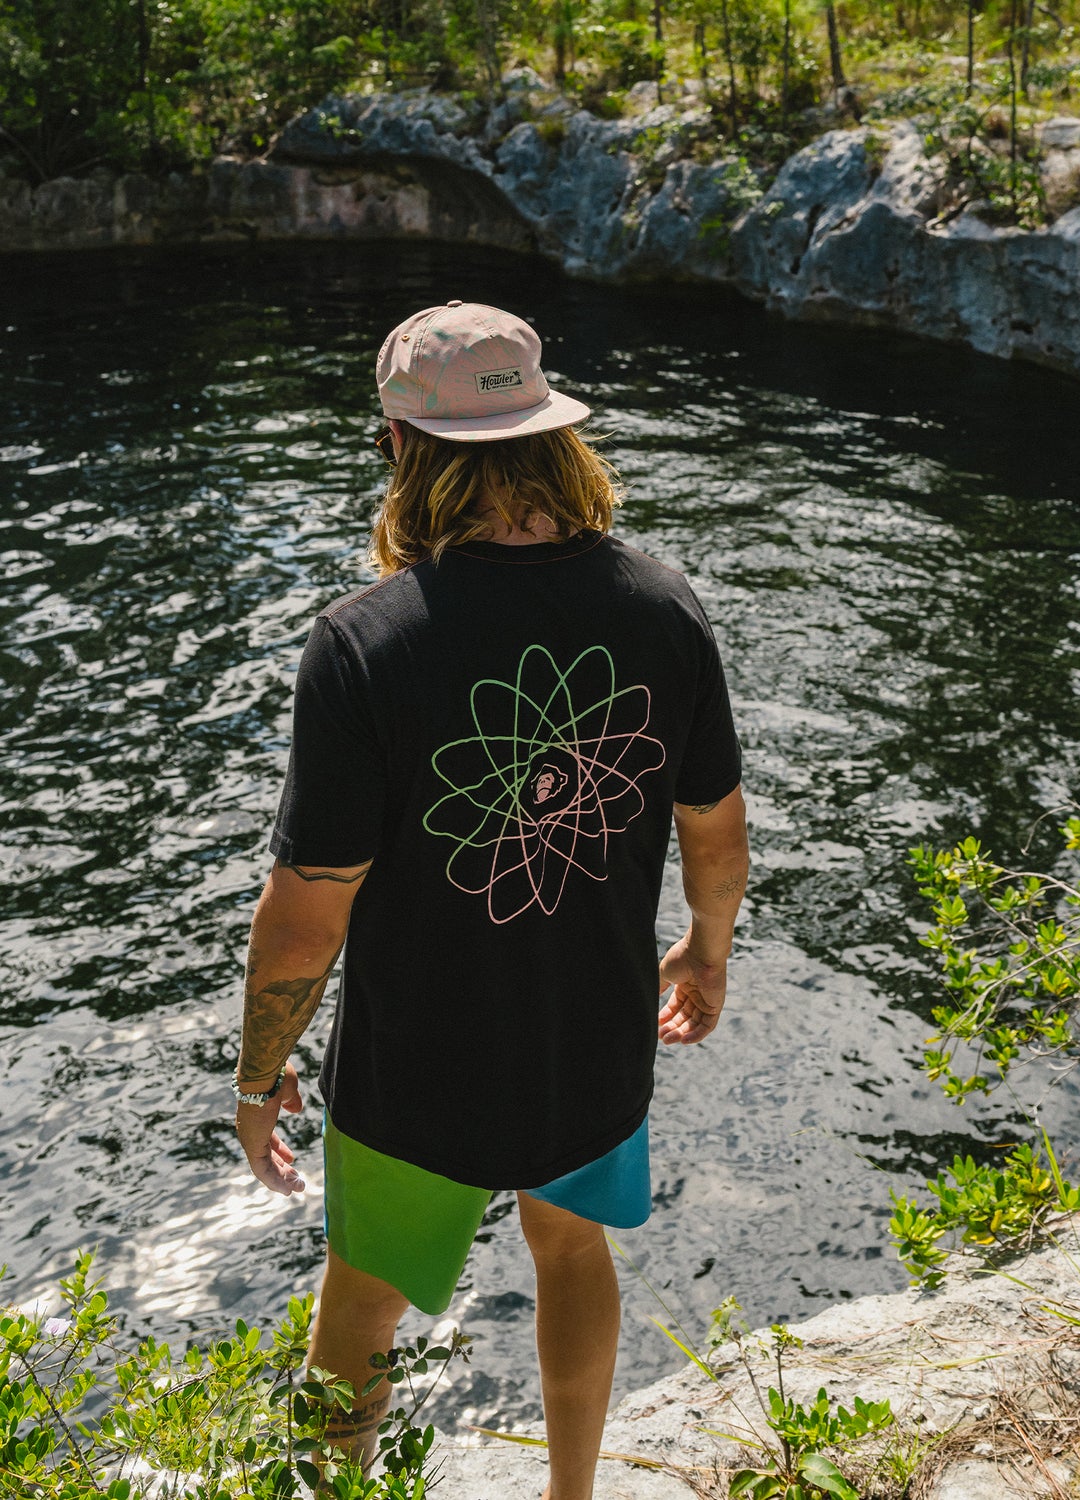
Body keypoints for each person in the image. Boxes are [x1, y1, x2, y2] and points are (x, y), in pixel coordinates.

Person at [229, 299, 750, 1497]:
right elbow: (713, 823)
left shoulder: (365, 644)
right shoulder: (662, 606)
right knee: (571, 1253)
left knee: (362, 1304)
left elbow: (309, 908)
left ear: (404, 452)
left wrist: (262, 1074)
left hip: (420, 1064)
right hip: (591, 1035)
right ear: (552, 435)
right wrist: (704, 950)